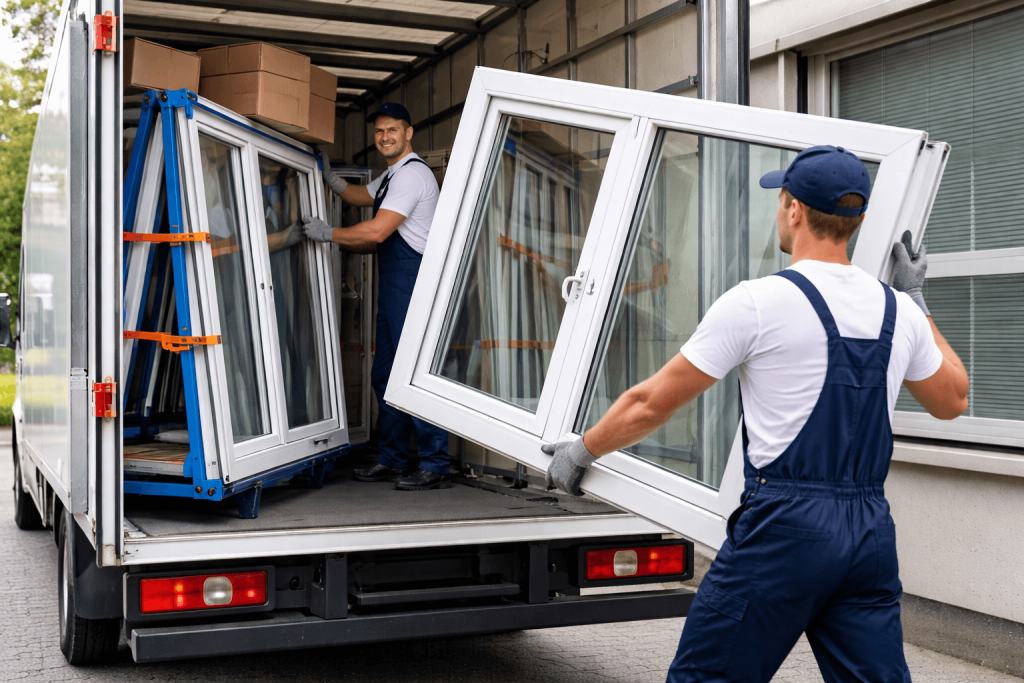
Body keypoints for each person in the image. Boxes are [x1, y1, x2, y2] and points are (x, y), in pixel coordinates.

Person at [542, 145, 969, 682]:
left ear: (792, 209)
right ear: (856, 220)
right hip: (868, 534)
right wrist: (918, 300)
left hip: (785, 531)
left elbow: (652, 404)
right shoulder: (898, 309)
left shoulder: (758, 302)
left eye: (781, 200)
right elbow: (953, 401)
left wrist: (584, 448)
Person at [302, 102, 451, 491]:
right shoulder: (391, 176)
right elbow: (360, 196)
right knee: (385, 374)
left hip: (412, 282)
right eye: (379, 131)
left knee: (413, 375)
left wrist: (328, 234)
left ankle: (435, 463)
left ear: (409, 132)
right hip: (394, 284)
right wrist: (329, 178)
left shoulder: (411, 176)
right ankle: (393, 457)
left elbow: (375, 232)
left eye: (392, 130)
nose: (385, 137)